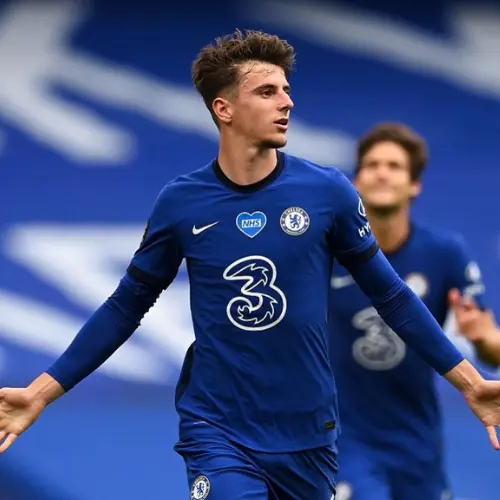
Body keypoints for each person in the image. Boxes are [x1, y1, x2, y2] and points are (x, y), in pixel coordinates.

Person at [1, 31, 500, 500]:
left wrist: (471, 383)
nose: (287, 102)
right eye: (267, 92)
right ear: (224, 109)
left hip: (309, 433)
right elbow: (125, 307)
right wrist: (41, 392)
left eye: (286, 90)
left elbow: (391, 296)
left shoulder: (327, 193)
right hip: (217, 427)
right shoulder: (182, 203)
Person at [329, 122, 500, 500]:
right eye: (372, 165)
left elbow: (493, 349)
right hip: (344, 437)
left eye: (394, 166)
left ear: (414, 184)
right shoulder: (325, 253)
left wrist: (481, 338)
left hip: (417, 443)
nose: (382, 173)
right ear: (356, 181)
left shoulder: (445, 254)